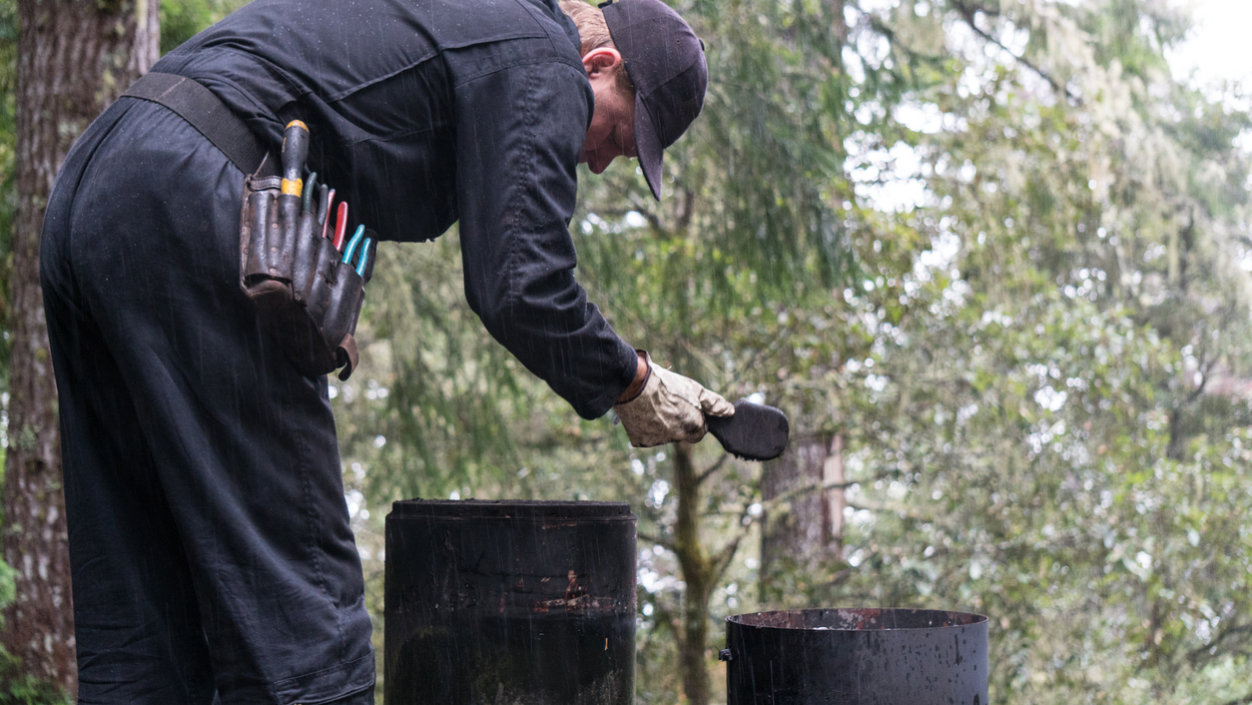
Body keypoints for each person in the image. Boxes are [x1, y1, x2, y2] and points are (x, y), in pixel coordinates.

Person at [38, 0, 732, 702]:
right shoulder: (541, 54)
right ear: (601, 64)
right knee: (306, 622)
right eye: (616, 132)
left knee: (143, 623)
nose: (603, 161)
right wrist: (631, 380)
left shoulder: (467, 21)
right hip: (200, 190)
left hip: (96, 187)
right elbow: (520, 282)